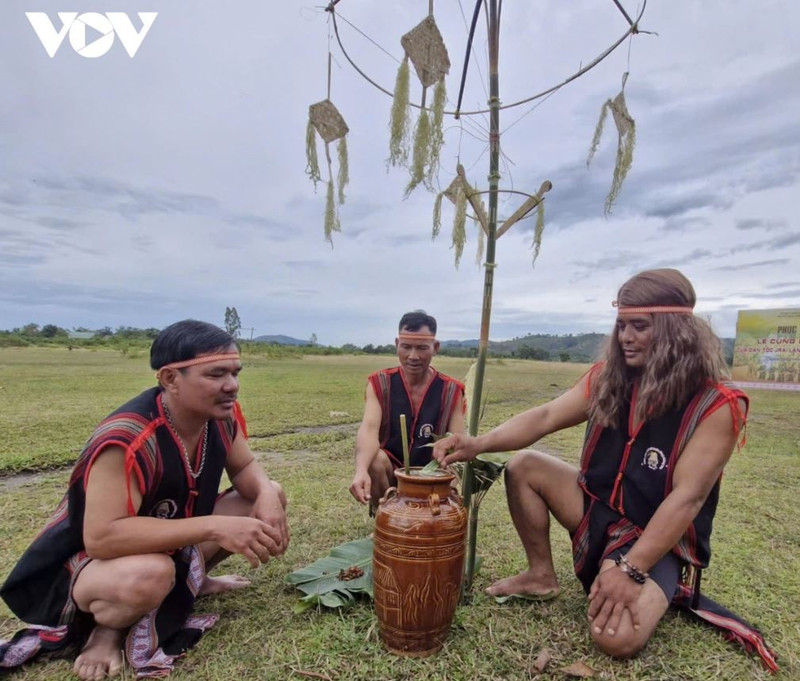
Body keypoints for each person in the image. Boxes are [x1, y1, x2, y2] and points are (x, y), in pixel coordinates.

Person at [431, 269, 778, 671]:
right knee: (525, 465)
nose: (626, 337)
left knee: (615, 639)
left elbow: (688, 499)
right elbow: (545, 415)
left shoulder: (717, 405)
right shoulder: (607, 379)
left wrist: (631, 569)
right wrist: (477, 443)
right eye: (621, 325)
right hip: (598, 510)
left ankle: (650, 582)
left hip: (653, 535)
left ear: (676, 331)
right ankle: (541, 575)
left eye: (640, 326)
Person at [0, 320, 289, 680]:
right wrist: (216, 524)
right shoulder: (127, 438)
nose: (231, 386)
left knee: (266, 493)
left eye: (235, 373)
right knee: (150, 572)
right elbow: (103, 538)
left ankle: (192, 582)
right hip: (91, 566)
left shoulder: (218, 417)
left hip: (165, 543)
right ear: (170, 379)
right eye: (216, 374)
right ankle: (106, 630)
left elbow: (245, 465)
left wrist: (266, 494)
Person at [349, 310, 466, 511]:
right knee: (374, 460)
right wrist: (360, 471)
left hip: (431, 474)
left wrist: (450, 486)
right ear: (397, 345)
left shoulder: (452, 390)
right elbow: (369, 429)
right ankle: (385, 519)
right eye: (406, 347)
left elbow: (457, 443)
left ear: (435, 347)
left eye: (422, 348)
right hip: (391, 472)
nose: (413, 356)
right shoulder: (379, 383)